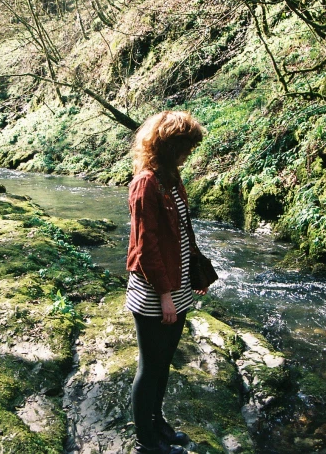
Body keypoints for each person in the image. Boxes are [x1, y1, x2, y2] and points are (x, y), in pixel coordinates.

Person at [125, 110, 205, 454]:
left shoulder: (171, 177)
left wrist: (195, 274)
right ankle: (145, 441)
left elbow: (182, 233)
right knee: (150, 366)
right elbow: (146, 248)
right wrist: (165, 296)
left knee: (165, 361)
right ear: (168, 145)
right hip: (155, 291)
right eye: (185, 146)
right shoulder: (145, 184)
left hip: (177, 284)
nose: (188, 154)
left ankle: (158, 422)